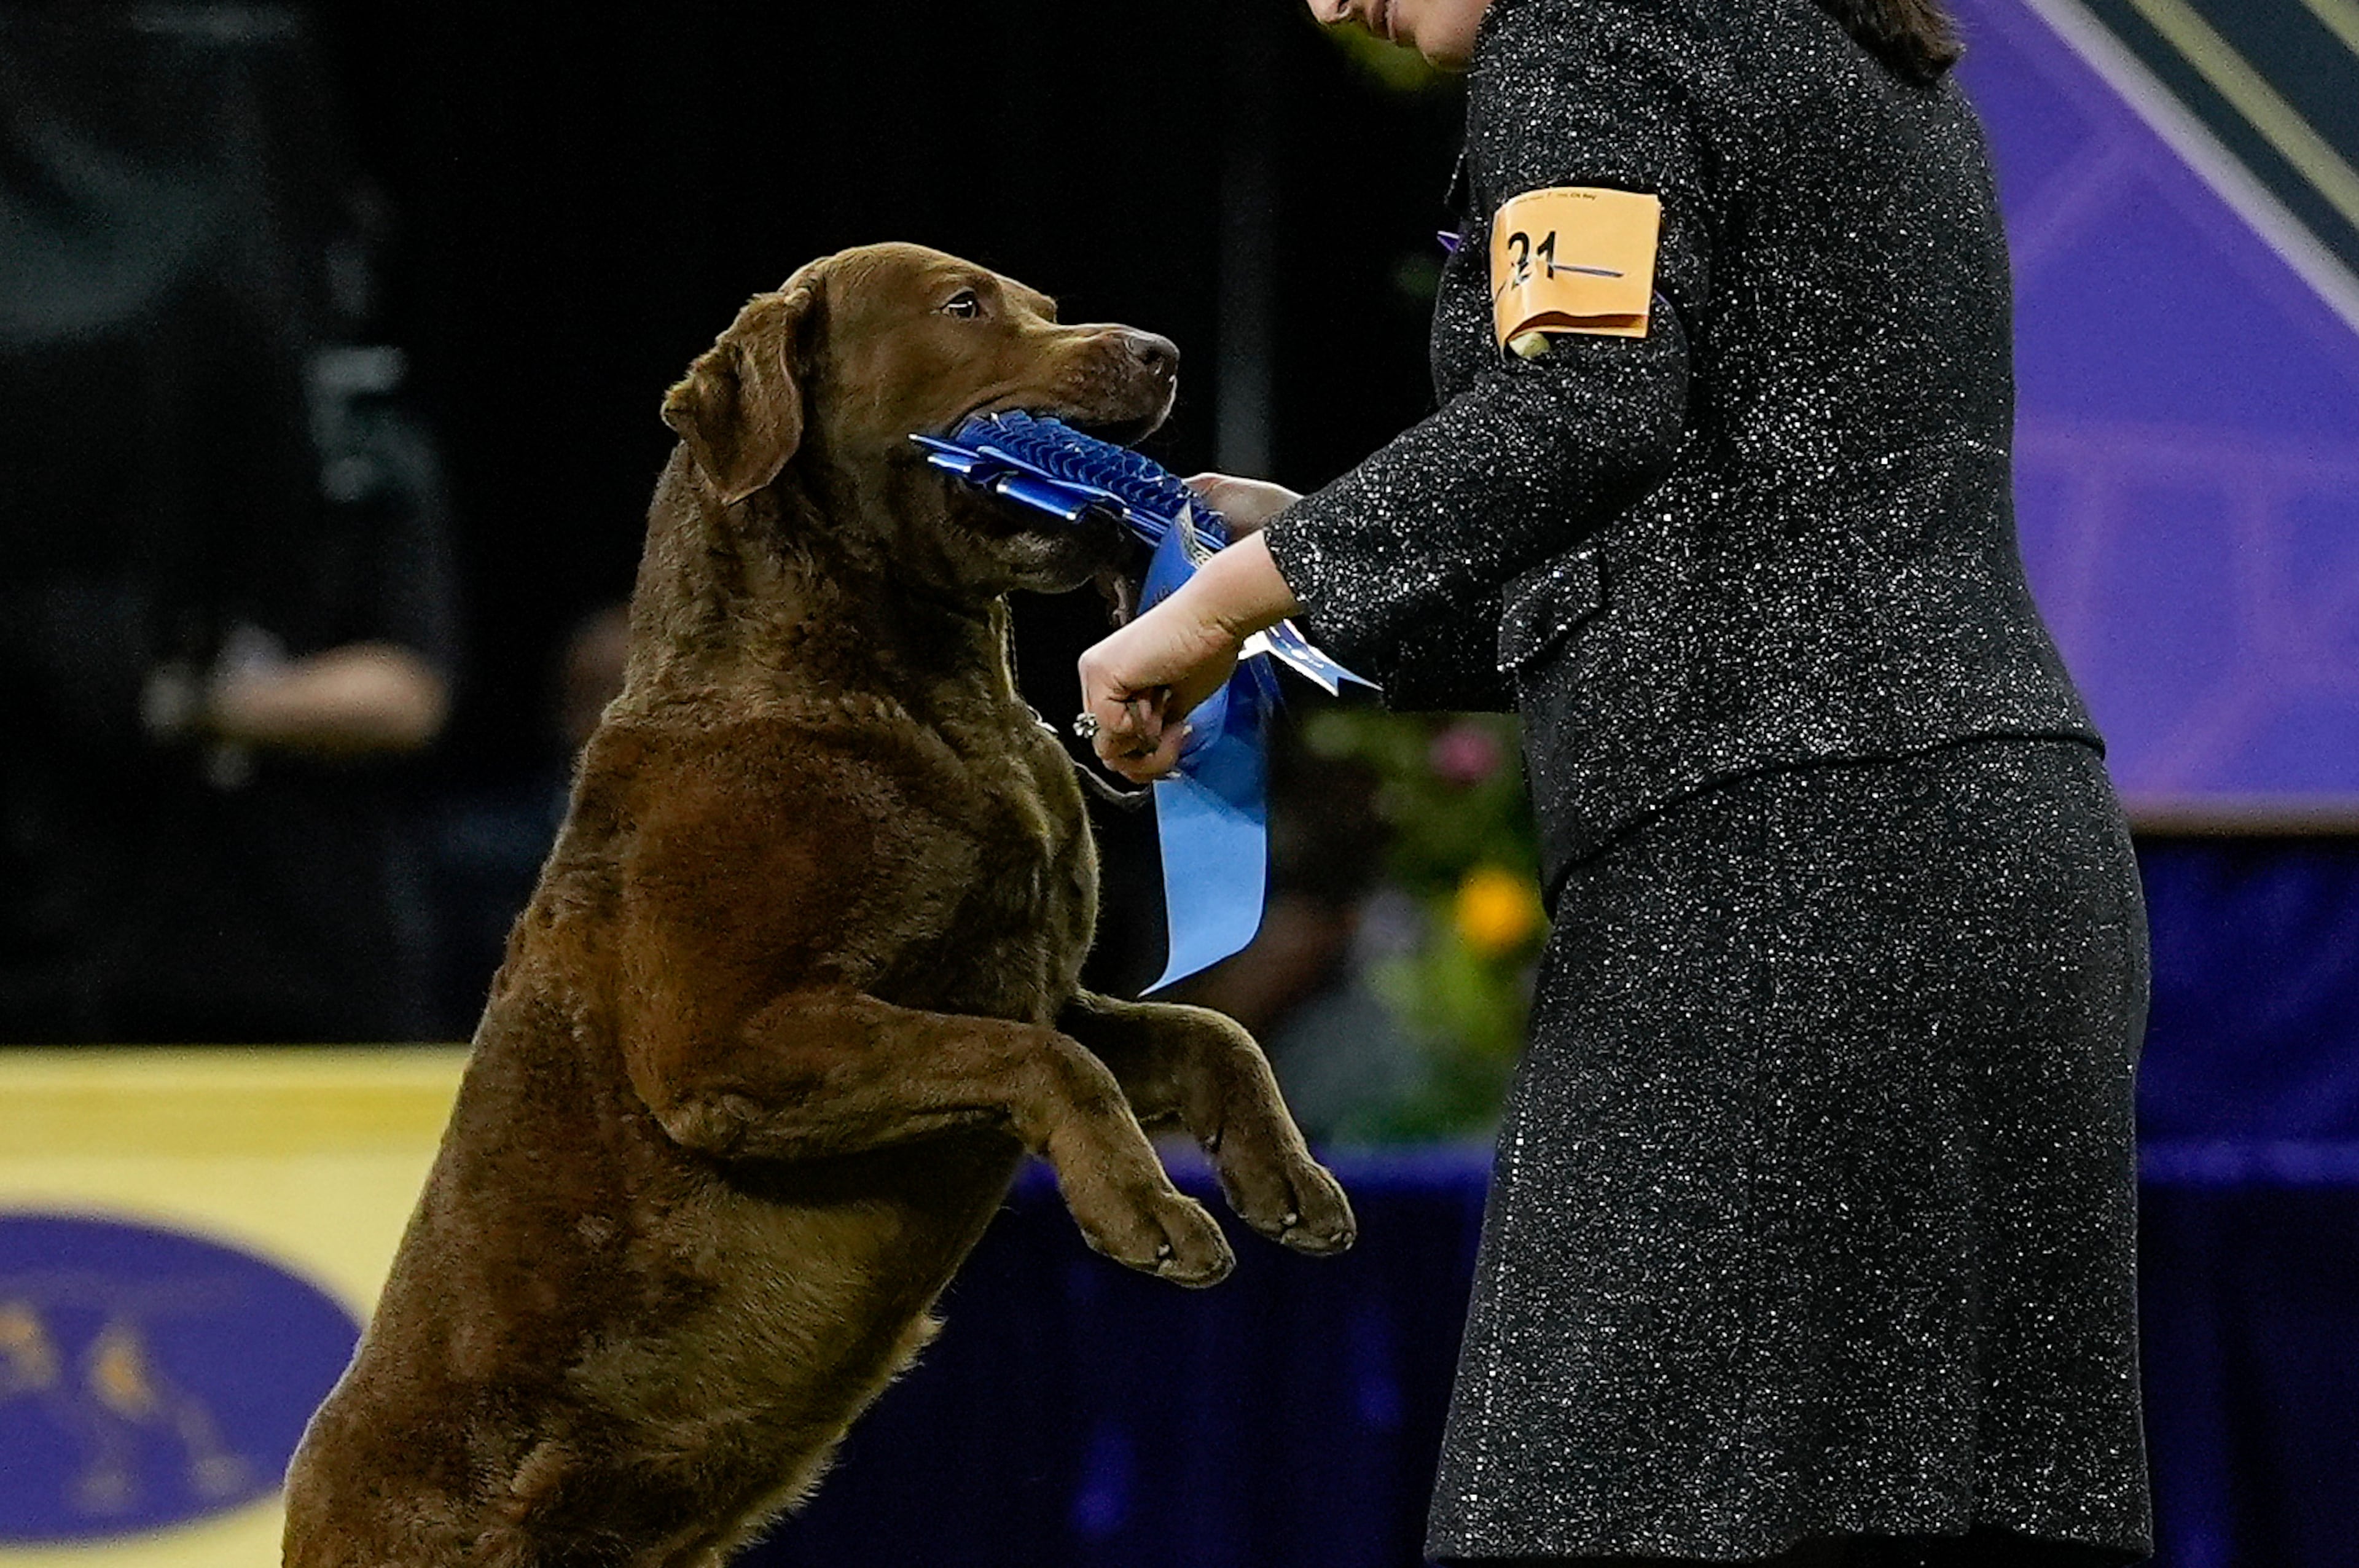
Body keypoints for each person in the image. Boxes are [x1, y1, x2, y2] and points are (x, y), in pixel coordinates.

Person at [1074, 0, 2152, 1563]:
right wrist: (1289, 570)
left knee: (1596, 1523)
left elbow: (1579, 406)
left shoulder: (1586, 28)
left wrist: (1218, 606)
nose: (1326, 5)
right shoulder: (1853, 50)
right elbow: (1675, 547)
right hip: (2003, 864)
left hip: (1781, 884)